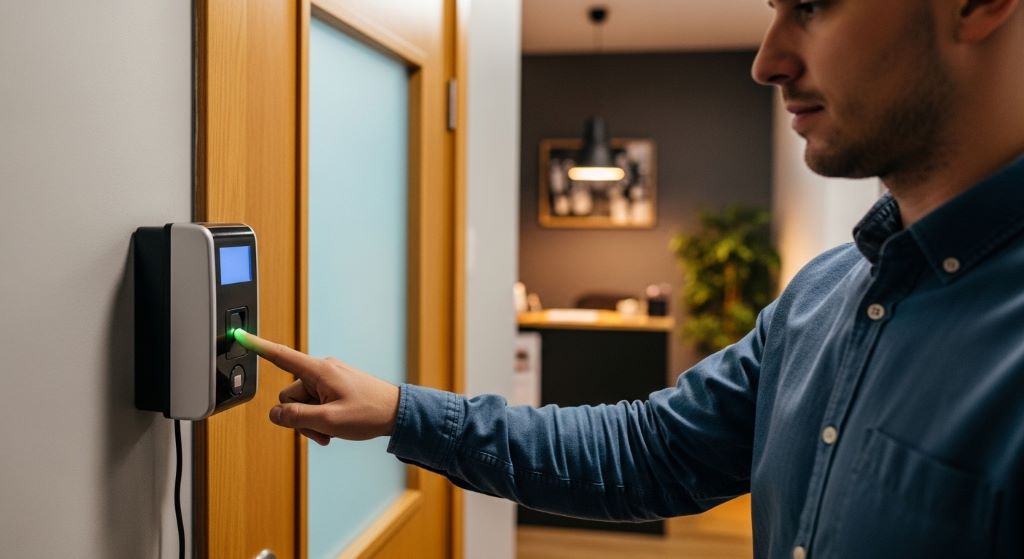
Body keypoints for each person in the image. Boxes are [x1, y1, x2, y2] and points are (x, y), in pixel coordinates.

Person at [235, 0, 1024, 556]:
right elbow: (646, 449)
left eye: (813, 5)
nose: (767, 60)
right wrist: (400, 411)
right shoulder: (823, 298)